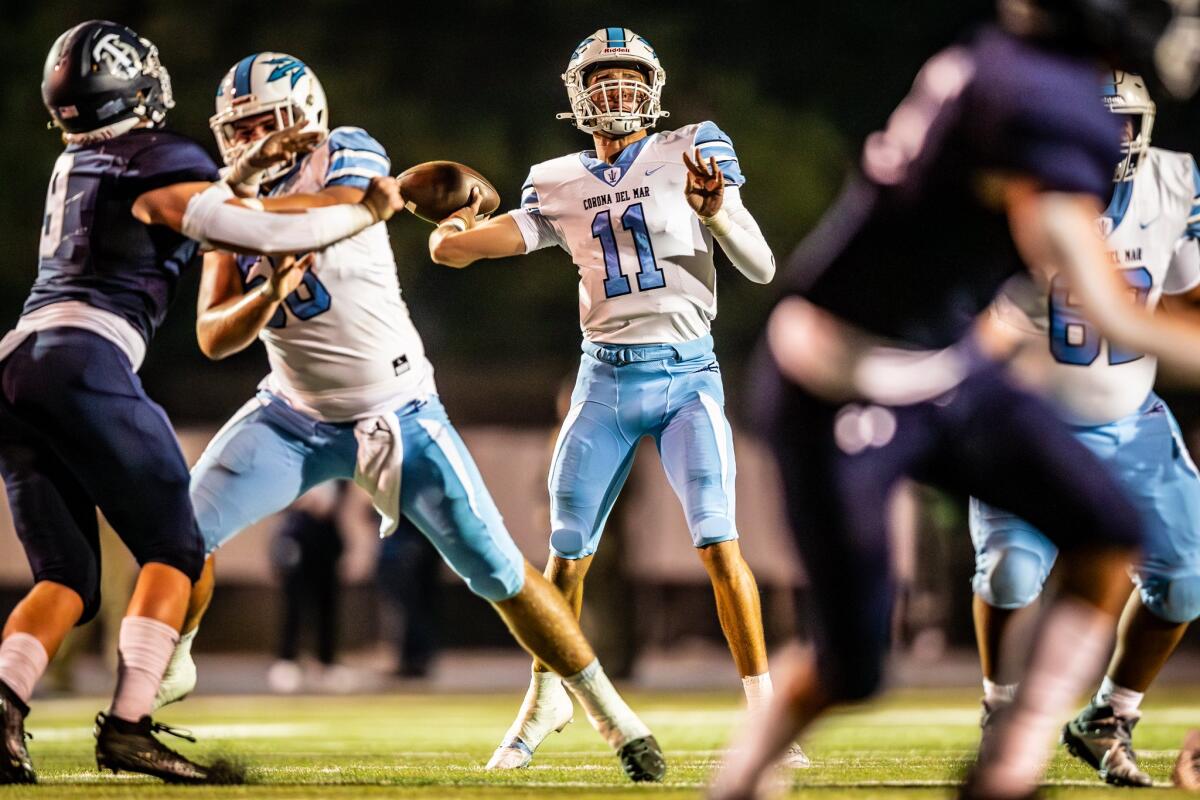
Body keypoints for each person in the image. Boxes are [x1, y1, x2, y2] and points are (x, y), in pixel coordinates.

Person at [705, 1, 1200, 798]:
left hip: (945, 369)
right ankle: (738, 782)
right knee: (852, 666)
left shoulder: (1012, 63)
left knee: (1109, 532)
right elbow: (1102, 305)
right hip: (840, 383)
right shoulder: (1041, 96)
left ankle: (1007, 768)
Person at [161, 51, 665, 782]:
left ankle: (606, 710)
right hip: (291, 413)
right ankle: (169, 663)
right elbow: (213, 335)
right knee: (178, 534)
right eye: (238, 131)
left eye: (265, 124)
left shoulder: (344, 154)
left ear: (306, 119)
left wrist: (237, 216)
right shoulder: (231, 209)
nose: (251, 144)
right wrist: (262, 291)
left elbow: (340, 207)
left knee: (498, 570)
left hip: (397, 409)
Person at [0, 20, 403, 785]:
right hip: (88, 357)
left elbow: (207, 200)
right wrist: (365, 210)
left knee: (68, 582)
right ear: (133, 86)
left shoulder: (74, 161)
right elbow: (238, 225)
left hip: (18, 365)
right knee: (177, 551)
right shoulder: (156, 158)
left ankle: (4, 711)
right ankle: (128, 726)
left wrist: (241, 171)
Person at [427, 26, 807, 771]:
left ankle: (765, 714)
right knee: (566, 555)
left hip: (690, 376)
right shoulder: (555, 177)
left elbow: (760, 267)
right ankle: (545, 699)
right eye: (601, 79)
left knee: (718, 542)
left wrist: (716, 210)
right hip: (604, 377)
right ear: (577, 95)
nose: (616, 90)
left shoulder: (693, 146)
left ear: (654, 87)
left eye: (628, 76)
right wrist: (451, 238)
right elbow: (482, 243)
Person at [969, 71, 1200, 788]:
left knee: (1187, 585)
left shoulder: (1176, 183)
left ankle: (1108, 717)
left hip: (1132, 420)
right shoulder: (1019, 188)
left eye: (1123, 124)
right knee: (1009, 577)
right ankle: (1001, 711)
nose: (1110, 141)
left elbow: (1191, 298)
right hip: (1027, 425)